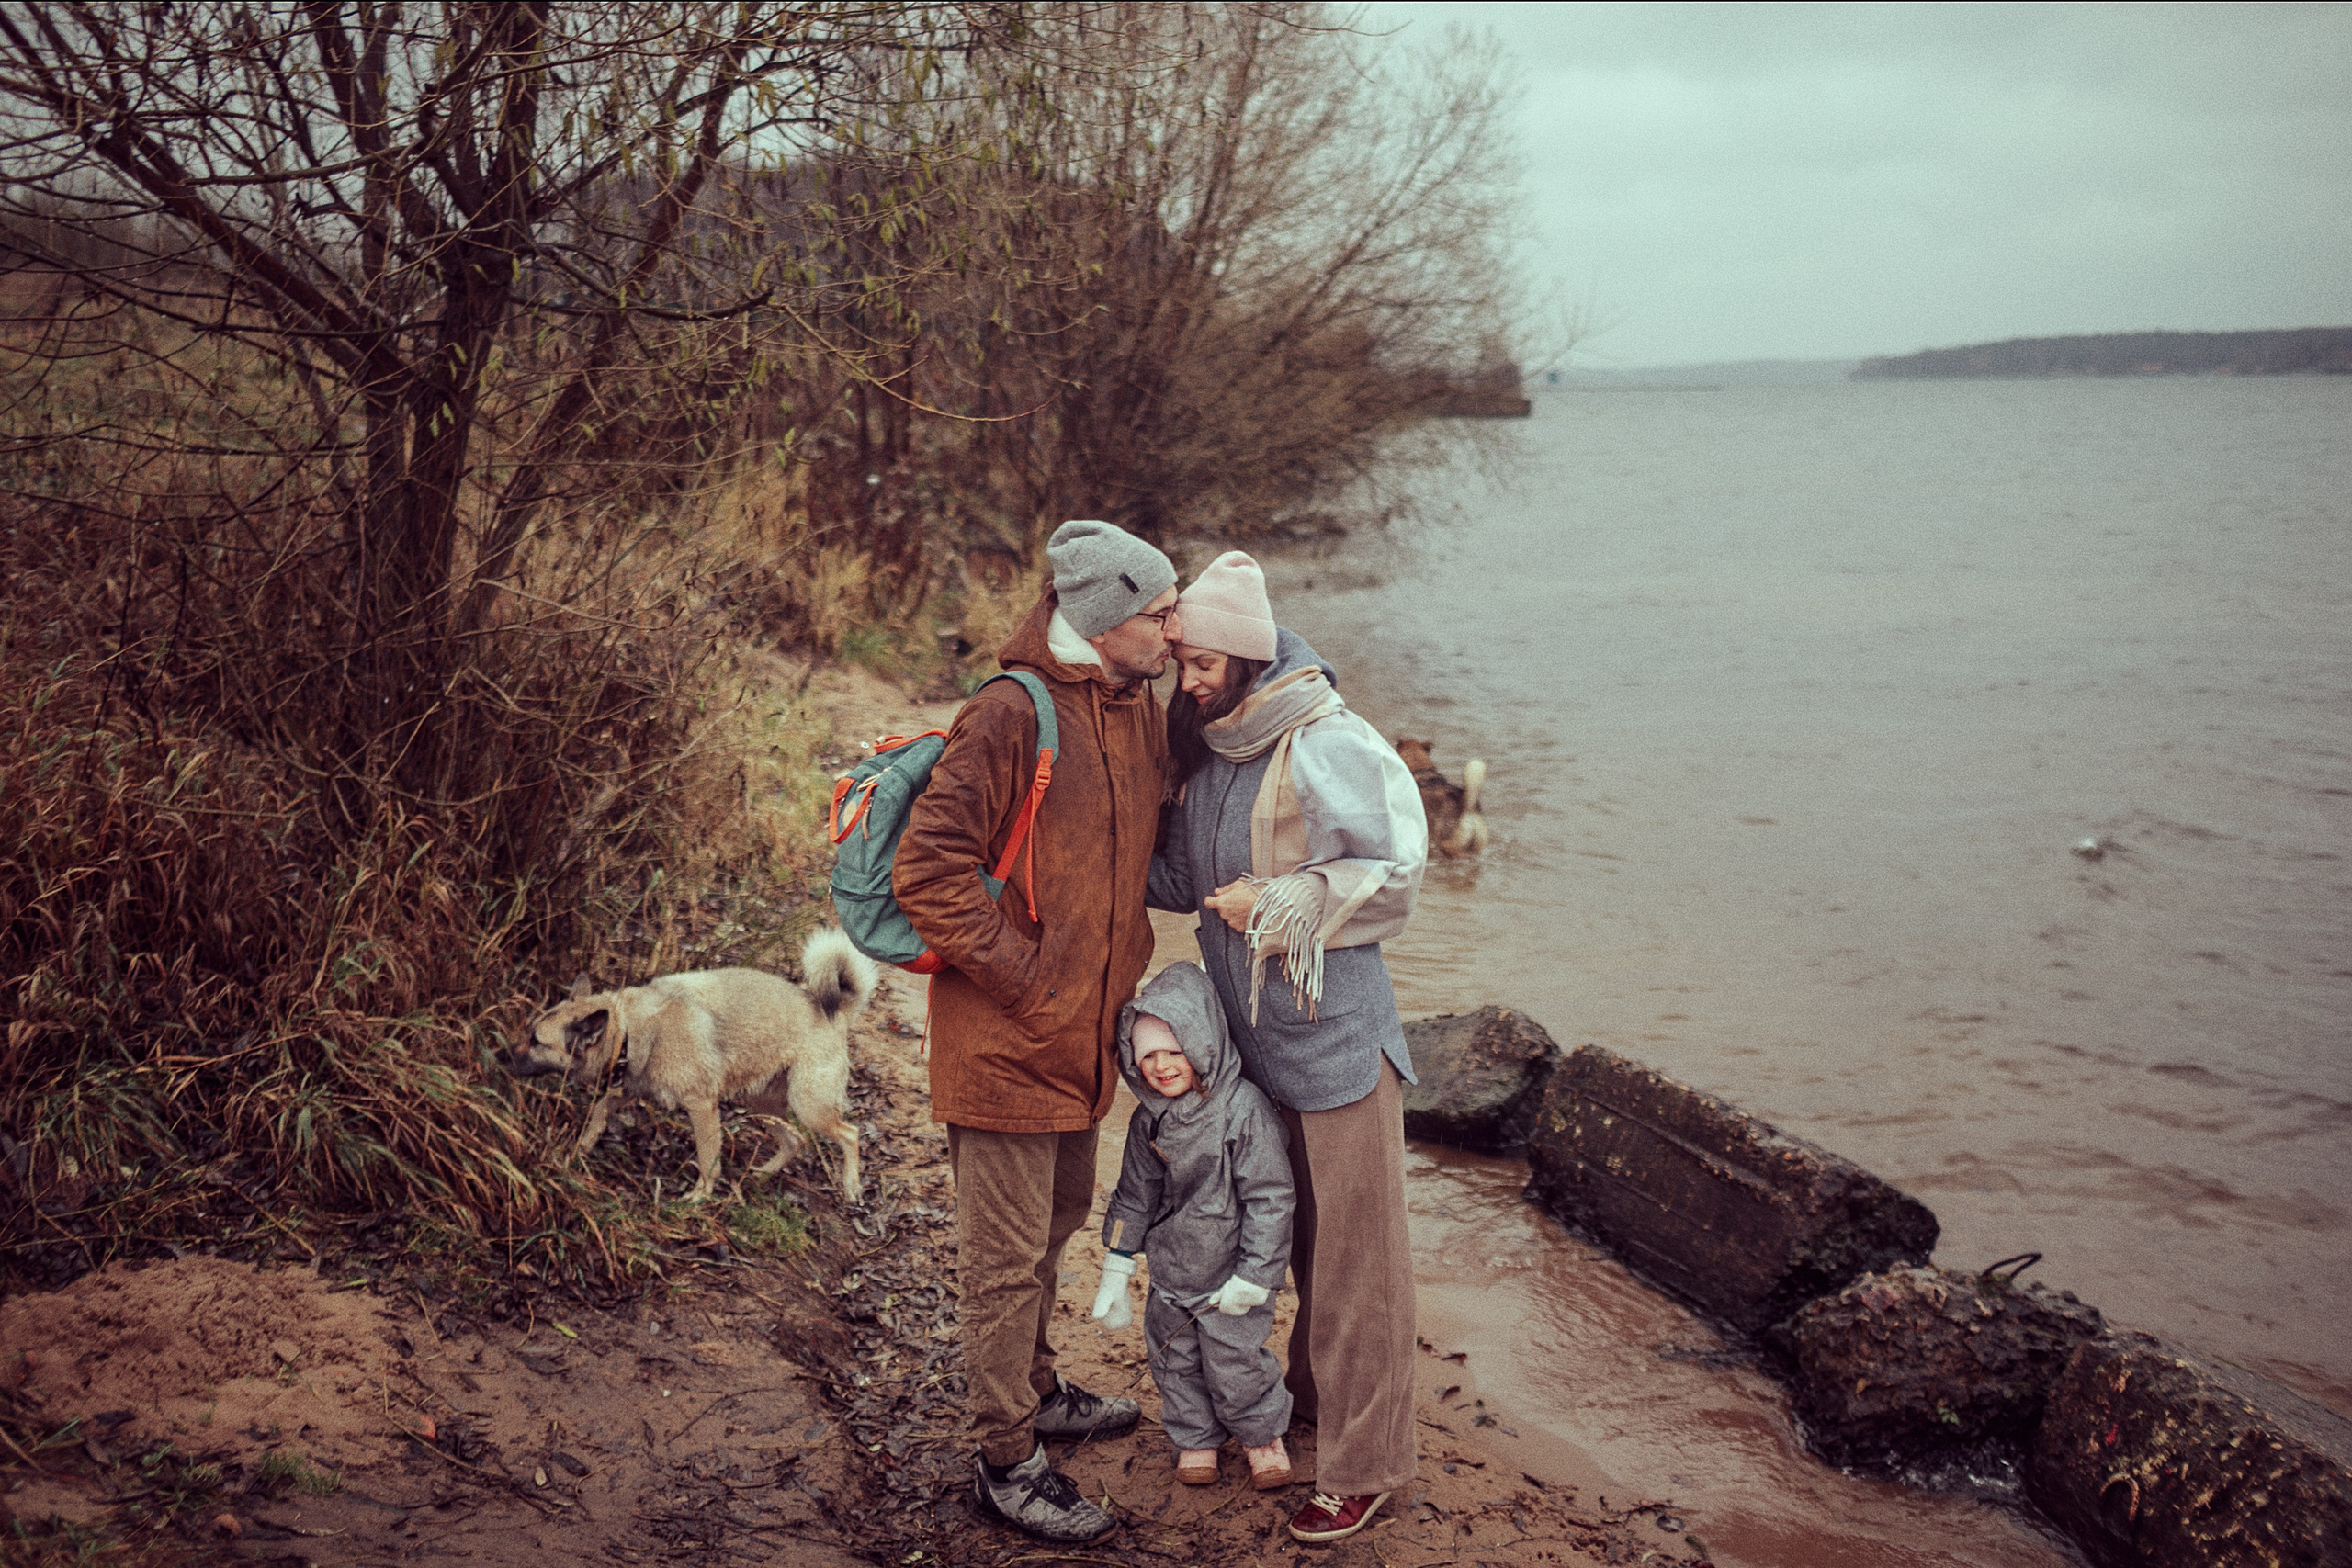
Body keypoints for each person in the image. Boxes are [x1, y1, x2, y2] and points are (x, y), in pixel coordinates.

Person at [894, 519, 1181, 1544]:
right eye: (1158, 612)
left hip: (1076, 1042)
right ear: (1106, 618)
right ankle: (1005, 1458)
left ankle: (1038, 1385)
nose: (1172, 628)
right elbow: (927, 873)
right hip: (1008, 1040)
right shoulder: (1009, 716)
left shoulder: (1131, 705)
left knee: (1057, 1223)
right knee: (1003, 1260)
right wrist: (1027, 984)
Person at [1145, 548, 1428, 1545]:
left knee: (1357, 1269)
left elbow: (1396, 869)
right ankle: (1308, 1402)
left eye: (1203, 664)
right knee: (1293, 1239)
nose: (1189, 681)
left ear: (1251, 655)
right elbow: (1181, 886)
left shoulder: (1323, 737)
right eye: (1182, 663)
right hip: (1254, 1047)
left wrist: (1273, 903)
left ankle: (1367, 1465)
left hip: (1339, 1046)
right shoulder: (1217, 742)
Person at [1089, 961, 1297, 1492]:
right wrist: (1117, 1265)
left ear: (1202, 1043)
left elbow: (1271, 1197)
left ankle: (1261, 1437)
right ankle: (1195, 1438)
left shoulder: (1243, 1110)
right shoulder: (1149, 1120)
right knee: (1174, 1360)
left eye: (1172, 1052)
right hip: (1171, 1271)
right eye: (1147, 1056)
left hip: (1233, 1276)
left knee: (1235, 1363)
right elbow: (1135, 1195)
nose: (1160, 1067)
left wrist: (1256, 1275)